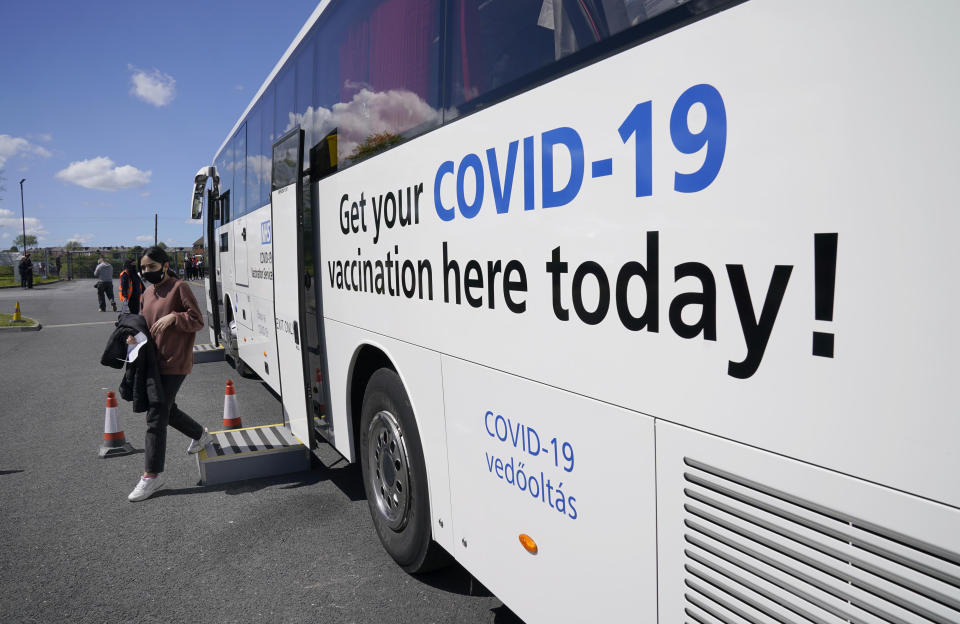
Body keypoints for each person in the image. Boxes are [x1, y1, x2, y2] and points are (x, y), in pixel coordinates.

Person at [127, 246, 211, 502]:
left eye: (151, 267)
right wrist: (134, 336)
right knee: (166, 409)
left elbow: (197, 320)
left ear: (164, 266)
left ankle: (151, 475)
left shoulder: (179, 287)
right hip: (154, 362)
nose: (146, 272)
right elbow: (144, 323)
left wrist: (175, 317)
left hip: (176, 361)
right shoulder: (148, 292)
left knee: (156, 415)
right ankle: (201, 434)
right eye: (143, 268)